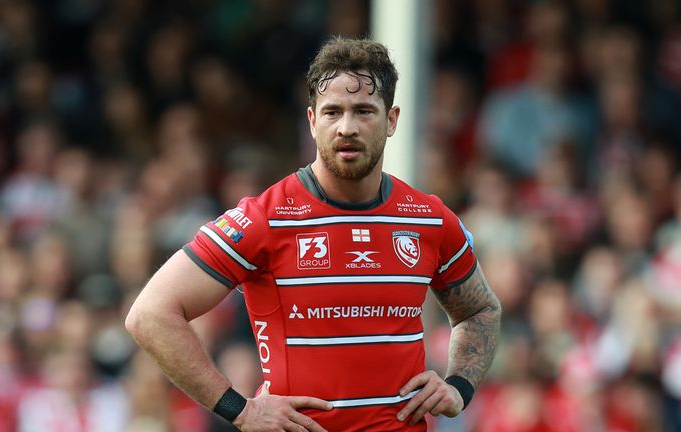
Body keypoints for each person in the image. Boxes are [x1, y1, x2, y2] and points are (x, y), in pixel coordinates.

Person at [125, 37, 501, 432]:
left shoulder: (428, 217)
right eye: (332, 111)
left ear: (392, 120)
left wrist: (459, 385)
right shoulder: (265, 218)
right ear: (311, 120)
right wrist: (239, 409)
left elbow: (481, 310)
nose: (347, 128)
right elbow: (150, 314)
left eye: (364, 111)